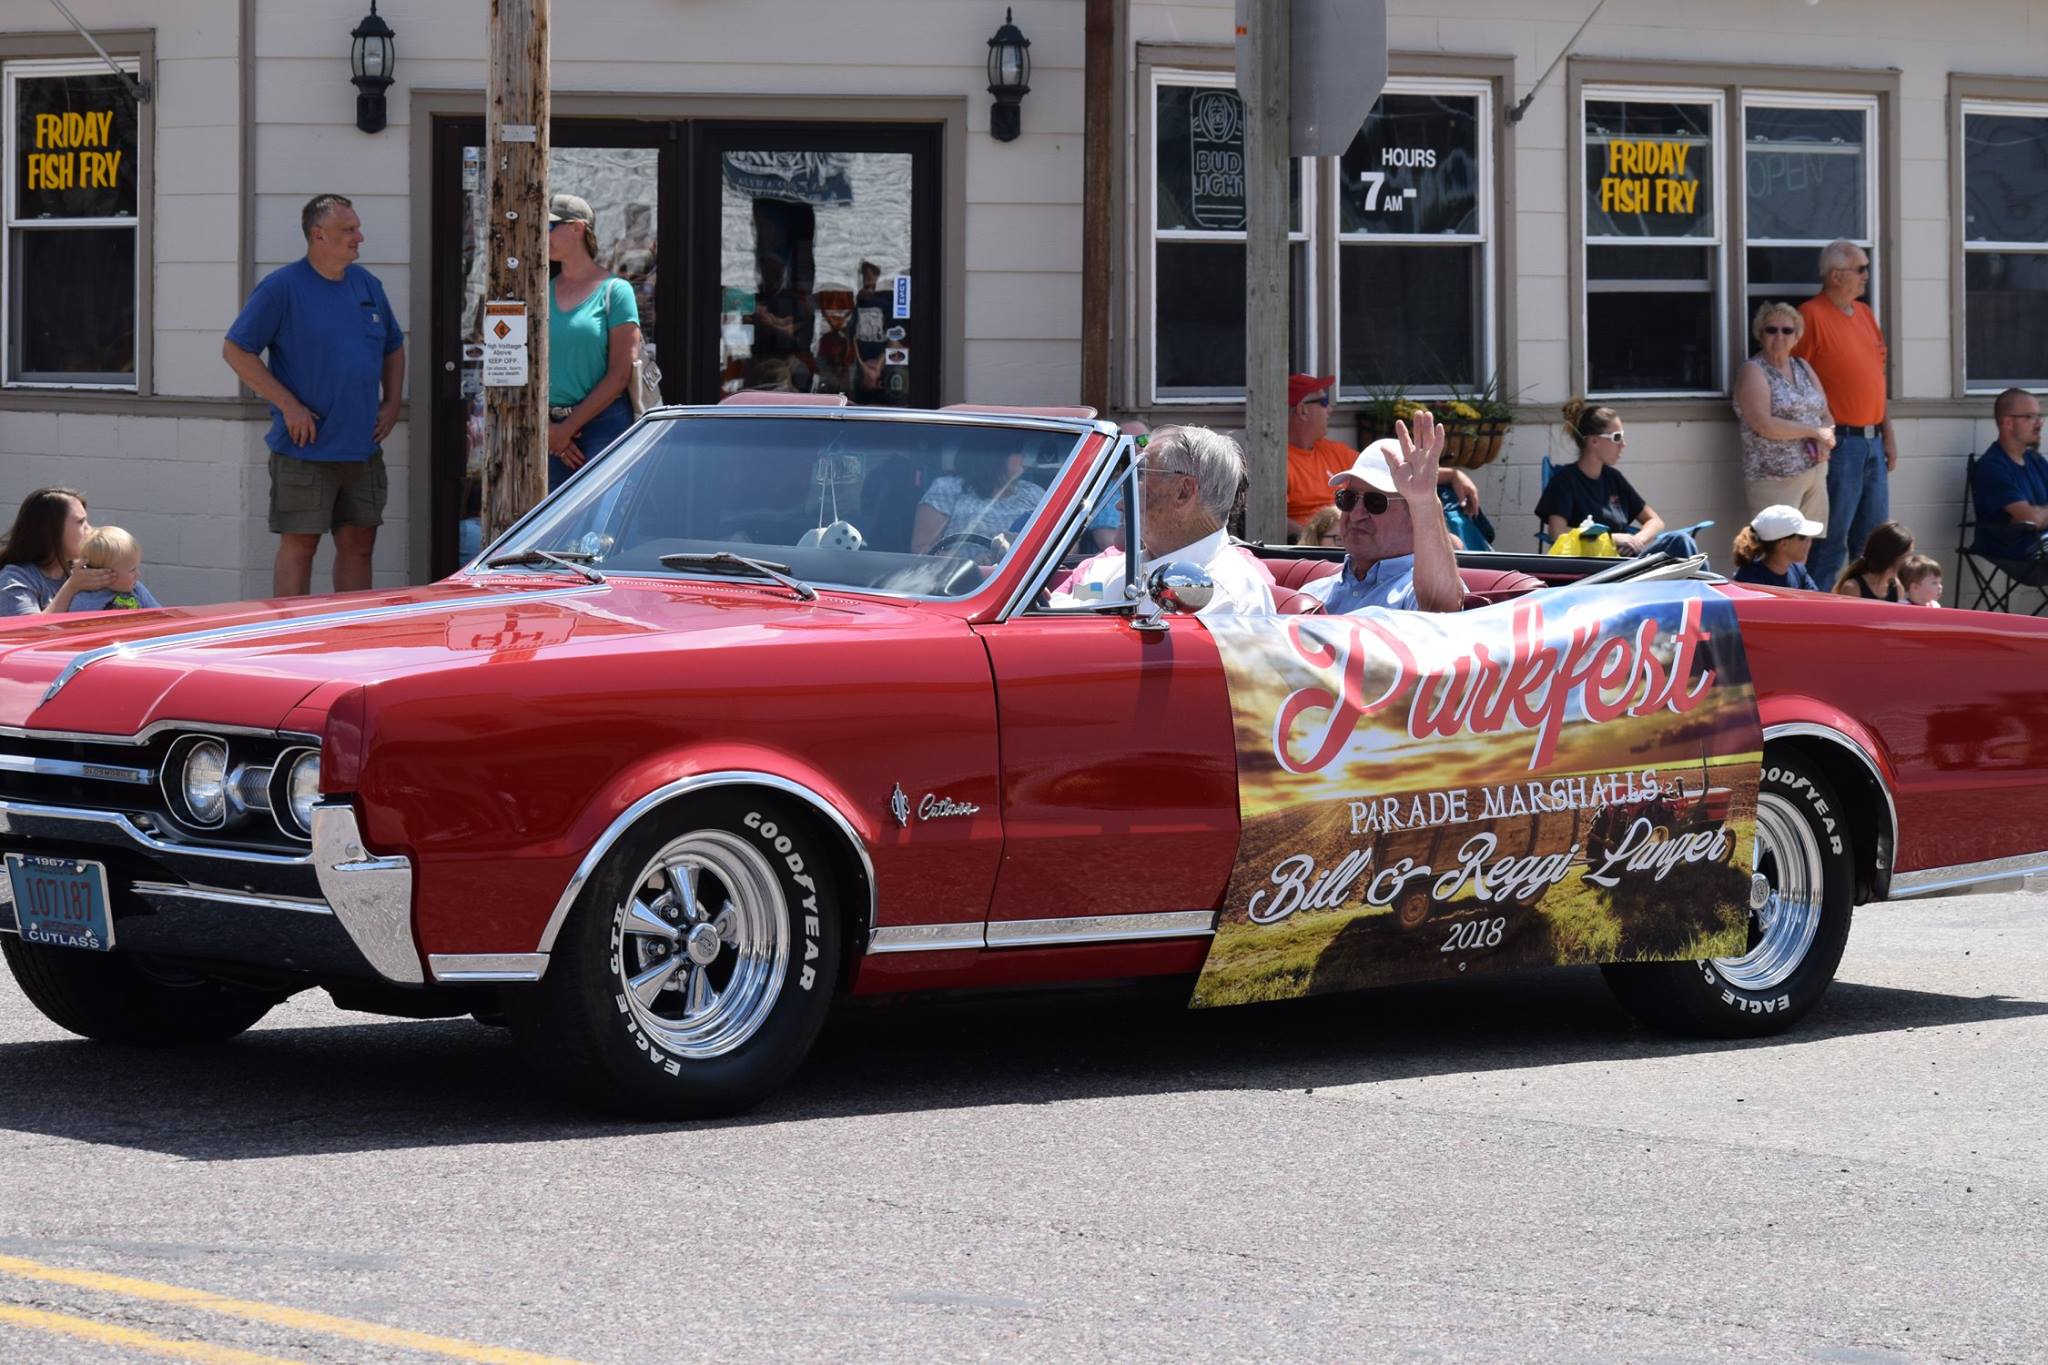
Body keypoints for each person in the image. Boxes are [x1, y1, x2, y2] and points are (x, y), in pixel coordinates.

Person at [223, 192, 404, 597]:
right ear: (318, 234)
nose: (360, 237)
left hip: (362, 446)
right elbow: (236, 349)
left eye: (357, 228)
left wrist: (392, 403)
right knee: (300, 545)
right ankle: (292, 640)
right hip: (306, 448)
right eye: (349, 229)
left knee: (359, 546)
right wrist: (289, 405)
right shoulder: (282, 288)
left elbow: (393, 345)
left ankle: (350, 634)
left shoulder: (367, 285)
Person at [1061, 425, 1276, 615]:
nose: (1121, 504)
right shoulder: (1106, 572)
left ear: (1183, 491)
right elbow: (1073, 601)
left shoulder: (1231, 594)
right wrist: (1040, 606)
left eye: (1141, 476)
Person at [1795, 240, 1894, 588]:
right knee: (1830, 543)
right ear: (1836, 276)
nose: (1867, 276)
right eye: (1861, 269)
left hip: (1873, 443)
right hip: (1841, 445)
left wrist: (1888, 437)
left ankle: (1868, 619)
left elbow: (1876, 381)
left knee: (1874, 545)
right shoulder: (1810, 315)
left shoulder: (1865, 314)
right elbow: (1795, 379)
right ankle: (1818, 616)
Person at [1301, 413, 1462, 614]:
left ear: (1414, 515)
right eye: (1348, 498)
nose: (1357, 513)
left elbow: (1440, 612)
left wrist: (1424, 502)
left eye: (1375, 502)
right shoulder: (1310, 596)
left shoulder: (1412, 592)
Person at [1283, 374, 1478, 539]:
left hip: (1362, 536)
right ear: (1303, 410)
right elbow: (1272, 517)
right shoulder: (1278, 463)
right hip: (1324, 549)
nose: (1330, 409)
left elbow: (1392, 472)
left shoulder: (1333, 450)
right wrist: (1315, 536)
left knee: (1451, 540)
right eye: (1324, 402)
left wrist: (1453, 475)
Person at [545, 193, 642, 490]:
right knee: (552, 530)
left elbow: (619, 375)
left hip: (605, 424)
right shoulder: (539, 292)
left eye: (548, 227)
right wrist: (550, 431)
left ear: (577, 228)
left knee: (601, 527)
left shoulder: (616, 291)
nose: (541, 235)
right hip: (549, 430)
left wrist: (566, 430)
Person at [1537, 399, 1702, 559]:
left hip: (1627, 562)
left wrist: (1637, 540)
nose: (1623, 444)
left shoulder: (1613, 478)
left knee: (1680, 541)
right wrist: (1612, 539)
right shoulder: (1565, 481)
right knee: (1681, 542)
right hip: (1595, 568)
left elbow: (1655, 521)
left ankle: (1708, 585)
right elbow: (1557, 534)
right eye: (1617, 437)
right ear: (1594, 441)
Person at [1734, 301, 1835, 522]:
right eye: (1771, 330)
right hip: (1774, 478)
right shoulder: (1754, 370)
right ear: (1760, 334)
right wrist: (1814, 432)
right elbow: (1764, 424)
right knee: (1775, 548)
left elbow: (1825, 413)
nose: (1779, 336)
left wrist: (1825, 437)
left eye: (1787, 330)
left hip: (1815, 472)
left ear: (1797, 336)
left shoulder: (1803, 366)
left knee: (1805, 546)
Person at [1970, 387, 2048, 584]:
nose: (2039, 424)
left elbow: (2036, 518)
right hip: (2020, 552)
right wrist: (2035, 516)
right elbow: (2031, 519)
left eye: (2040, 417)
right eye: (2030, 417)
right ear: (2007, 422)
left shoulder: (2035, 460)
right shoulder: (1993, 467)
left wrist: (2040, 514)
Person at [0, 487, 112, 616]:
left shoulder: (80, 572)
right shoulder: (15, 578)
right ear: (50, 531)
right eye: (80, 522)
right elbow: (31, 632)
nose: (90, 529)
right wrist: (71, 588)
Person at [911, 449, 1048, 555]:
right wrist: (970, 564)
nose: (1023, 458)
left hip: (1028, 579)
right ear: (998, 456)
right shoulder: (948, 488)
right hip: (960, 583)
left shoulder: (1033, 492)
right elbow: (922, 550)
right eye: (1017, 452)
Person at [64, 526, 161, 612]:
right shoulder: (86, 600)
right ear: (106, 574)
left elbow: (158, 615)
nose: (138, 574)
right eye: (132, 570)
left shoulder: (137, 589)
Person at [1731, 505, 1824, 590]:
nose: (1810, 540)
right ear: (1783, 544)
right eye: (1803, 537)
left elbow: (1817, 605)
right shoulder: (1750, 580)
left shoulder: (1798, 570)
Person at [1834, 521, 1914, 601]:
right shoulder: (1853, 588)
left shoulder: (1897, 588)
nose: (1908, 562)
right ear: (1891, 557)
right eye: (1906, 557)